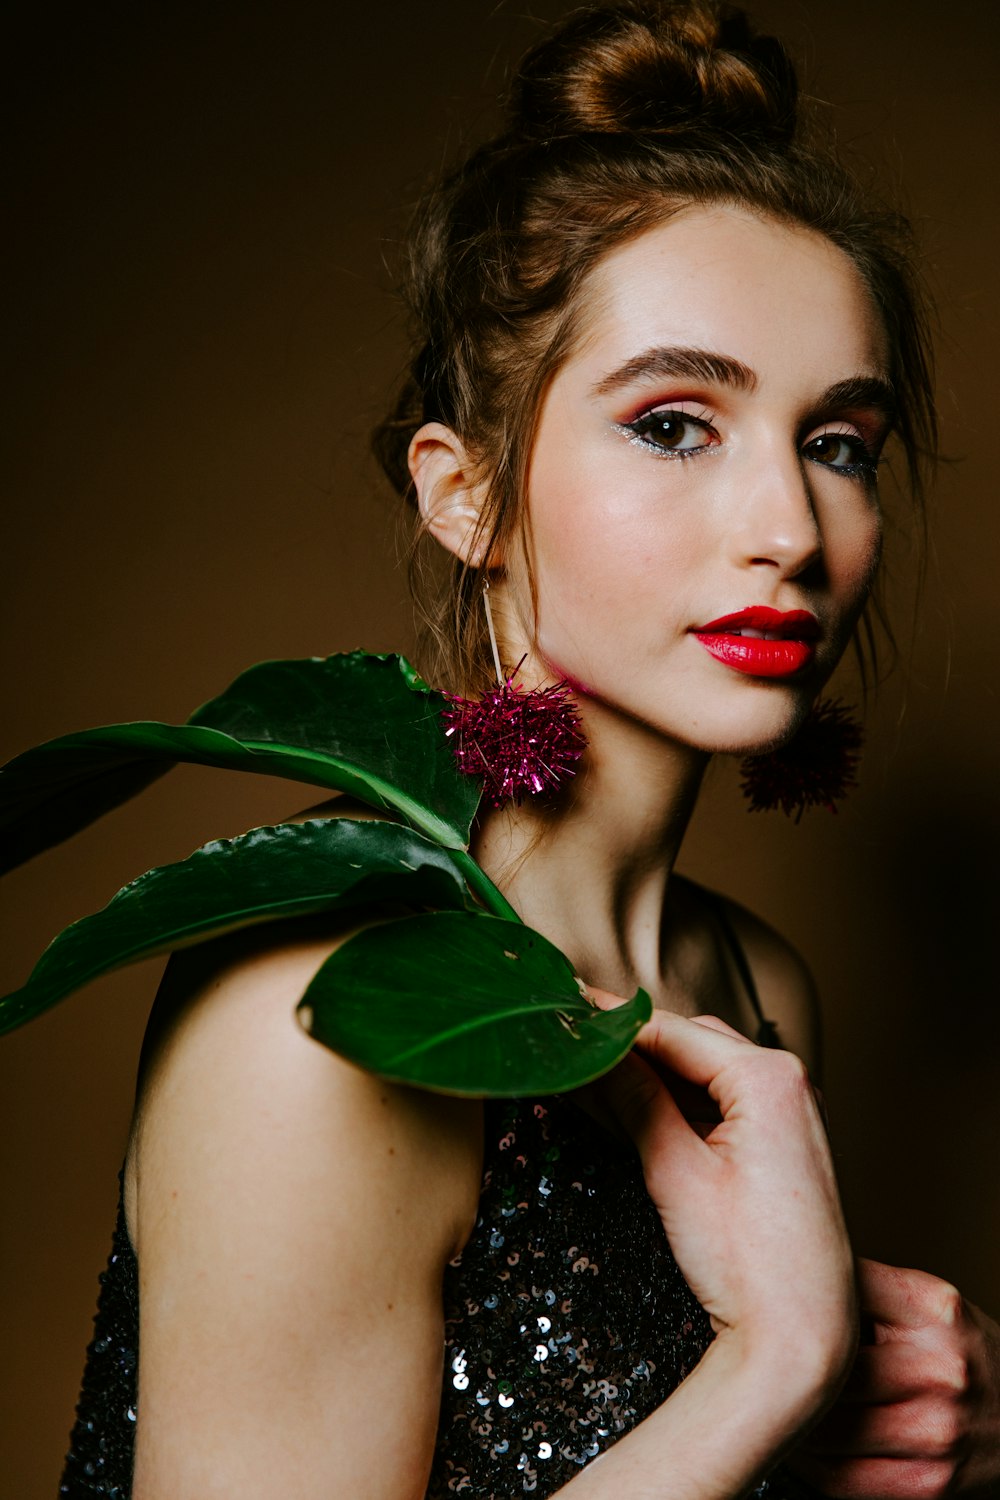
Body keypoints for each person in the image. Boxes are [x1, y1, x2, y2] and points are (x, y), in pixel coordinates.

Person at [50, 2, 1000, 1496]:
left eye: (838, 443)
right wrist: (777, 1367)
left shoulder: (750, 992)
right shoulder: (318, 1027)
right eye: (678, 424)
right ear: (469, 492)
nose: (790, 531)